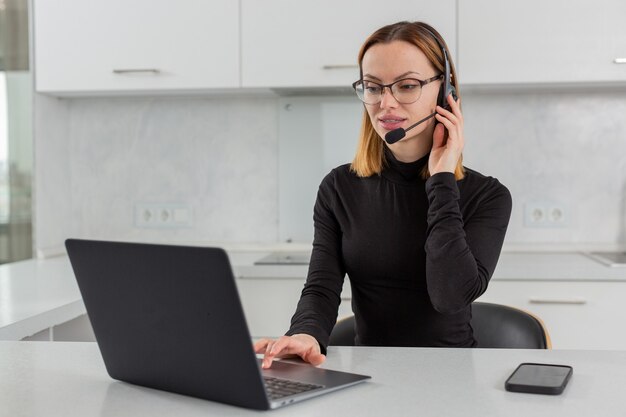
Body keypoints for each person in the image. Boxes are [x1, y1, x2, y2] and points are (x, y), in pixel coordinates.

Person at [254, 21, 512, 369]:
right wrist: (305, 334)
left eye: (407, 85)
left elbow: (450, 296)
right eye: (374, 87)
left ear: (446, 91)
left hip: (452, 380)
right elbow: (321, 288)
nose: (385, 104)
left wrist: (441, 179)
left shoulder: (487, 196)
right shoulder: (338, 188)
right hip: (368, 375)